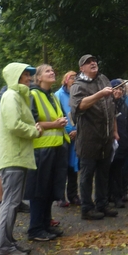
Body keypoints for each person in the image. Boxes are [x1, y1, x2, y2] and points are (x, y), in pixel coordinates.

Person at [0, 63, 43, 255]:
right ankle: (4, 247)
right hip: (13, 157)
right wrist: (34, 131)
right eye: (25, 74)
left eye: (29, 75)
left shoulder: (17, 96)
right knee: (10, 202)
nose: (29, 78)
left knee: (13, 202)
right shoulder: (11, 96)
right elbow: (14, 124)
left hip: (18, 156)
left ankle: (8, 241)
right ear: (16, 76)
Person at [69, 54, 118, 221]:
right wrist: (99, 95)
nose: (93, 63)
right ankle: (87, 208)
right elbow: (78, 106)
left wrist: (113, 131)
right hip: (88, 139)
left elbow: (111, 108)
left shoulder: (103, 79)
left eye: (94, 61)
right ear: (81, 68)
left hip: (106, 138)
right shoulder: (78, 85)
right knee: (87, 175)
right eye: (88, 62)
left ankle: (102, 204)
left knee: (103, 173)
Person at [26, 64, 68, 242]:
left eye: (53, 70)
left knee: (51, 189)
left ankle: (45, 224)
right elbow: (31, 122)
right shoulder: (33, 94)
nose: (52, 73)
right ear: (39, 78)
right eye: (47, 71)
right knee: (39, 190)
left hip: (57, 147)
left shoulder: (52, 95)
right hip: (41, 149)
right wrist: (55, 124)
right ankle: (35, 229)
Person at [54, 71, 80, 206]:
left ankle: (73, 195)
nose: (74, 80)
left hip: (76, 135)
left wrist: (77, 130)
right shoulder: (57, 95)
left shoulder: (78, 95)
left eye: (76, 78)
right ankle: (60, 197)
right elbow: (55, 116)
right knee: (62, 166)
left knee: (73, 166)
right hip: (63, 135)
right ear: (65, 80)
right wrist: (66, 131)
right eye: (72, 78)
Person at [108, 79, 128, 208]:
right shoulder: (106, 105)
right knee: (107, 171)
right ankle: (107, 196)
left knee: (119, 171)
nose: (118, 91)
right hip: (108, 145)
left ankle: (119, 195)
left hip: (122, 144)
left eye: (120, 89)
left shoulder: (125, 106)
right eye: (115, 88)